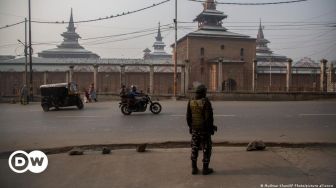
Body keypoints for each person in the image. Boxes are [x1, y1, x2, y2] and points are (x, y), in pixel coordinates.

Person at [186, 84, 217, 175]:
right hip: (204, 130)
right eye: (205, 92)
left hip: (195, 129)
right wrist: (211, 129)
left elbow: (188, 117)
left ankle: (194, 168)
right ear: (203, 92)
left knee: (194, 147)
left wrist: (191, 127)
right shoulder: (205, 102)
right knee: (206, 148)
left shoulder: (191, 101)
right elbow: (208, 118)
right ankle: (205, 169)